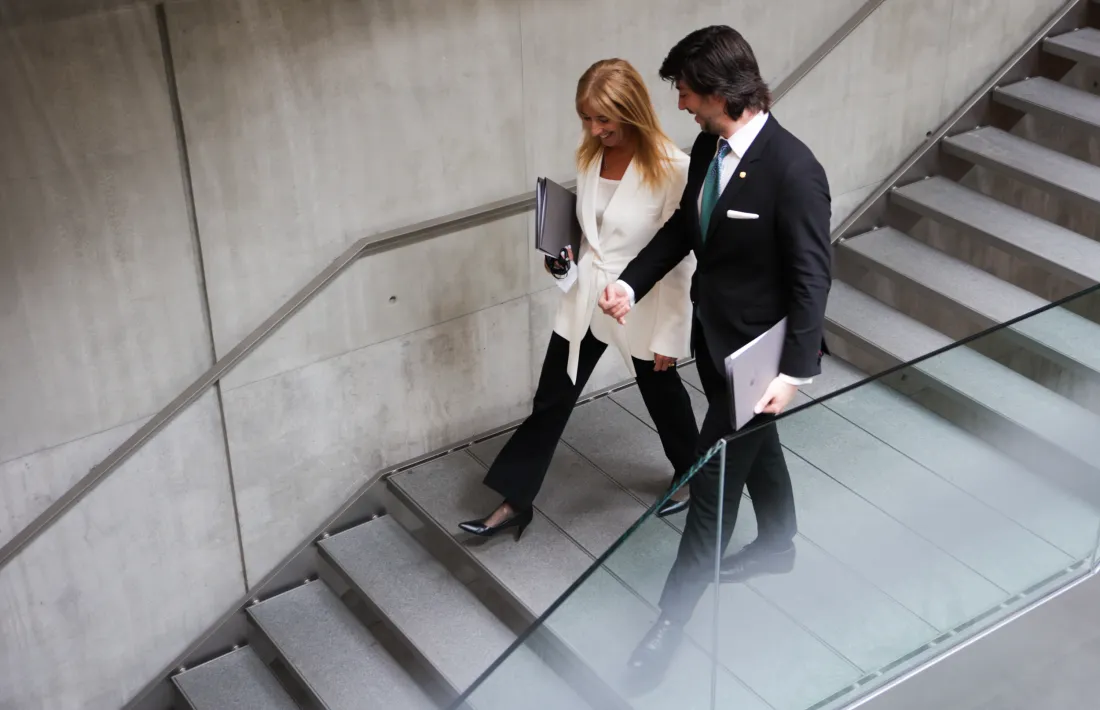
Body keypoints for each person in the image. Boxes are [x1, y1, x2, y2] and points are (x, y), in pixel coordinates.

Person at [599, 26, 831, 677]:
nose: (680, 105)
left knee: (710, 486)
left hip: (763, 361)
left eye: (687, 92)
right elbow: (684, 229)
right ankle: (780, 543)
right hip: (715, 344)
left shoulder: (794, 170)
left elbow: (813, 276)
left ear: (721, 92)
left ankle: (669, 624)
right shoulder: (709, 146)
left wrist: (795, 374)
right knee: (759, 447)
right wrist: (630, 282)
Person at [458, 58, 701, 540]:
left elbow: (680, 257)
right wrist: (564, 261)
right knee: (552, 397)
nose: (594, 129)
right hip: (587, 297)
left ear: (631, 110)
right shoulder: (590, 156)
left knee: (662, 395)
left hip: (643, 303)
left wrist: (672, 335)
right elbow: (594, 235)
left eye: (604, 119)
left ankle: (692, 472)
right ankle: (515, 500)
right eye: (587, 118)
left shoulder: (673, 168)